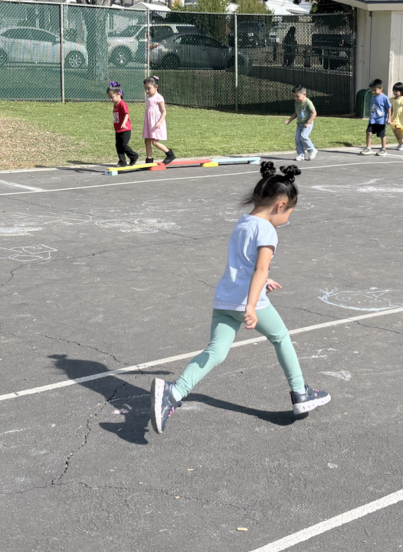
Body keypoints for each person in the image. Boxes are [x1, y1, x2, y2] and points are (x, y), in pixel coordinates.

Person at [151, 162, 331, 434]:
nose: (288, 218)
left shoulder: (243, 222)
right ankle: (300, 393)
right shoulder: (267, 230)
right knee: (281, 337)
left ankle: (172, 394)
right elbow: (260, 268)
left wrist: (262, 282)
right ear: (281, 205)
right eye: (290, 213)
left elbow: (245, 263)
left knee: (215, 352)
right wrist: (251, 305)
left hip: (224, 299)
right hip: (247, 301)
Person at [143, 76, 175, 165]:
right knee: (147, 140)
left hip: (156, 122)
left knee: (154, 142)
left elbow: (164, 111)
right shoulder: (148, 97)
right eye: (145, 88)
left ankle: (170, 154)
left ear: (156, 87)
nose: (146, 91)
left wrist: (160, 122)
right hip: (149, 122)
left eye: (149, 88)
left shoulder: (159, 97)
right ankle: (149, 160)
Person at [108, 82, 139, 167]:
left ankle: (133, 156)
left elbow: (126, 114)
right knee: (118, 146)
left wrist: (124, 123)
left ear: (119, 94)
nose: (110, 100)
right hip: (118, 129)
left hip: (125, 129)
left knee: (123, 145)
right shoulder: (115, 105)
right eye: (109, 98)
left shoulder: (122, 104)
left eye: (112, 97)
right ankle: (122, 161)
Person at [284, 85, 317, 161]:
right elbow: (296, 114)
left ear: (304, 94)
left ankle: (312, 150)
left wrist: (308, 122)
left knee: (304, 137)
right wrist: (289, 120)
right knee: (297, 139)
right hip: (299, 124)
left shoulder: (308, 102)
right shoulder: (296, 103)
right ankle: (301, 154)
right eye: (294, 96)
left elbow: (314, 113)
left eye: (297, 96)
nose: (295, 98)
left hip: (307, 124)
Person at [360, 79, 391, 156]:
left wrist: (389, 118)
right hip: (372, 119)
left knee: (382, 135)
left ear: (381, 88)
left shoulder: (384, 98)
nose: (373, 91)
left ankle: (383, 149)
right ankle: (368, 147)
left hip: (381, 120)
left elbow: (389, 108)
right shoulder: (373, 97)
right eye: (372, 89)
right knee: (368, 132)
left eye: (374, 89)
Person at [388, 82, 403, 151]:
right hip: (394, 117)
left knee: (398, 129)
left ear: (401, 91)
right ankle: (400, 143)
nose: (395, 92)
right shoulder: (392, 99)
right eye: (394, 91)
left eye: (397, 91)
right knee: (394, 130)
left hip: (401, 117)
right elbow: (391, 109)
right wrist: (389, 117)